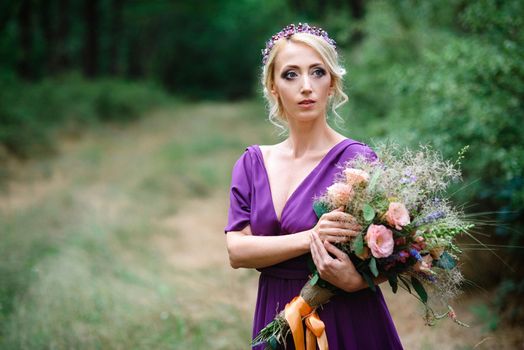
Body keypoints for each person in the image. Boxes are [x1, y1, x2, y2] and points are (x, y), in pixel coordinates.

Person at [224, 23, 403, 349]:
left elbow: (398, 251)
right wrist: (311, 238)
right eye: (290, 74)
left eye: (317, 72)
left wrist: (357, 282)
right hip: (276, 313)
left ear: (332, 83)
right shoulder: (252, 163)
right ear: (273, 87)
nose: (306, 86)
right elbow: (237, 250)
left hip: (346, 316)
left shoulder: (358, 162)